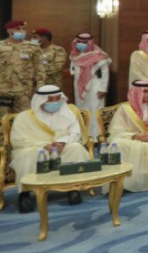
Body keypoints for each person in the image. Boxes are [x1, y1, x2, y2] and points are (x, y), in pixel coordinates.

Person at [9, 85, 91, 213]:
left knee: (75, 148)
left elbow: (75, 133)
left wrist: (63, 142)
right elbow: (18, 140)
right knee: (27, 154)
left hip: (60, 148)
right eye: (50, 99)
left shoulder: (68, 114)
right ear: (41, 100)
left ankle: (73, 188)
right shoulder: (24, 117)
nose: (55, 102)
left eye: (57, 99)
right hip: (36, 149)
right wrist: (43, 146)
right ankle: (24, 193)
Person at [69, 32, 111, 139]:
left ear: (90, 42)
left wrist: (103, 88)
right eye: (79, 42)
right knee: (81, 109)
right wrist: (73, 72)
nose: (81, 44)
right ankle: (84, 135)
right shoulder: (75, 53)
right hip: (79, 86)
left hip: (95, 86)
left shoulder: (98, 54)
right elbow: (73, 66)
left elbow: (105, 72)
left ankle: (96, 137)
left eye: (84, 42)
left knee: (94, 111)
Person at [0, 20, 44, 116]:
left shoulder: (33, 47)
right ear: (8, 30)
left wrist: (40, 84)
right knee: (3, 118)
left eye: (24, 29)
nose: (22, 31)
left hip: (24, 89)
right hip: (3, 89)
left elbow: (39, 67)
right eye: (18, 29)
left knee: (24, 116)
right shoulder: (1, 46)